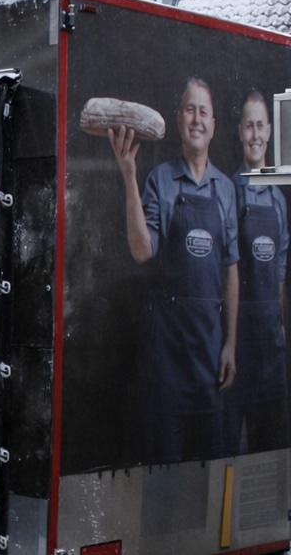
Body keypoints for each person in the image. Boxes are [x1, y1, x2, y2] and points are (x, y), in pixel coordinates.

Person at [108, 76, 238, 463]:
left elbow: (232, 270)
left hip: (211, 363)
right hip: (167, 364)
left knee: (208, 482)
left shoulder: (226, 189)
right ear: (178, 120)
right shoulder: (160, 180)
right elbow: (141, 251)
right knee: (164, 488)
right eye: (189, 109)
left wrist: (231, 343)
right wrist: (129, 175)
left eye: (204, 111)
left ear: (213, 125)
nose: (196, 119)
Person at [227, 91, 290, 454]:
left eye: (260, 126)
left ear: (269, 131)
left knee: (272, 457)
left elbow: (279, 274)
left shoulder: (279, 201)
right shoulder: (230, 191)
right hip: (238, 352)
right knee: (233, 458)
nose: (255, 135)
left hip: (272, 355)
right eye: (248, 125)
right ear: (239, 131)